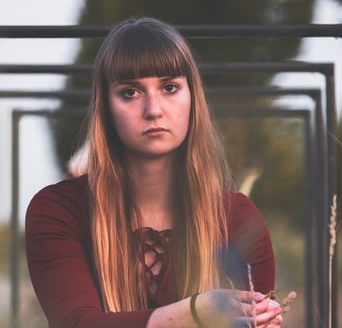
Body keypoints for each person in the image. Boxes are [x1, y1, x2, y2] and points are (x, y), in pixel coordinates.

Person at [25, 17, 283, 328]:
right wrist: (195, 312)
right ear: (105, 106)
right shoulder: (59, 210)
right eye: (131, 92)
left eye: (169, 87)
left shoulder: (236, 219)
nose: (153, 109)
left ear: (192, 98)